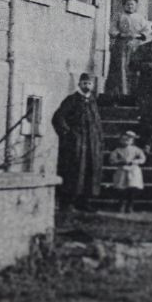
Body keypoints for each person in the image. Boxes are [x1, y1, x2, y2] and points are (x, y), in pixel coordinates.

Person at [50, 73, 104, 210]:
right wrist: (68, 134)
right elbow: (58, 117)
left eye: (89, 83)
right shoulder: (72, 100)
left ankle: (84, 202)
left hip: (91, 144)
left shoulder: (93, 101)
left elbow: (96, 122)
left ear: (93, 86)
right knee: (73, 171)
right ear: (79, 84)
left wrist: (98, 139)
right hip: (75, 144)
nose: (87, 86)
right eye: (84, 83)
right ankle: (67, 202)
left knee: (89, 171)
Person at [106, 0, 150, 97]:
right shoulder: (119, 16)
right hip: (121, 45)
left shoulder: (140, 18)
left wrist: (138, 35)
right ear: (124, 5)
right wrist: (121, 34)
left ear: (135, 6)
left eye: (132, 5)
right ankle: (120, 92)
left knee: (133, 67)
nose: (130, 6)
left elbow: (147, 30)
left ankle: (133, 92)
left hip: (135, 45)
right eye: (128, 4)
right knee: (120, 68)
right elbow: (112, 29)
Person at [108, 131, 146, 213]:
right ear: (120, 140)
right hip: (122, 169)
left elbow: (142, 159)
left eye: (128, 139)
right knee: (121, 188)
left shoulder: (136, 149)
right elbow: (112, 160)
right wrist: (120, 162)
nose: (126, 141)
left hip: (133, 170)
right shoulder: (117, 150)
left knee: (132, 187)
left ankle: (130, 205)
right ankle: (121, 204)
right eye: (124, 139)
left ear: (132, 141)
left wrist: (135, 161)